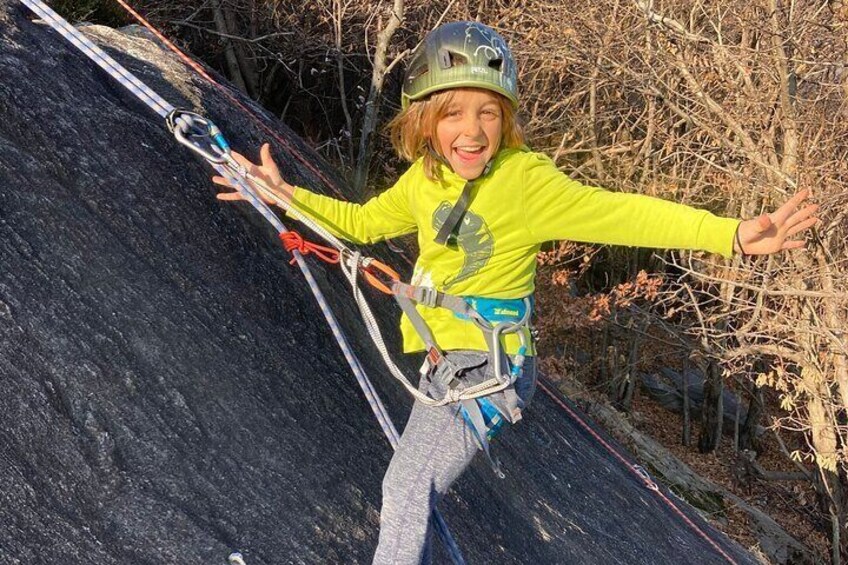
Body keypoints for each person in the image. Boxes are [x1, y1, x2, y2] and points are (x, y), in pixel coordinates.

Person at [213, 21, 818, 565]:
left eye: (489, 112)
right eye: (453, 113)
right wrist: (283, 196)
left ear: (507, 119)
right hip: (447, 365)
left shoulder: (524, 181)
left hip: (490, 368)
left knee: (404, 489)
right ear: (424, 119)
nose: (473, 131)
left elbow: (620, 214)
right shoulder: (426, 180)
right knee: (410, 488)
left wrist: (731, 235)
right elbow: (364, 223)